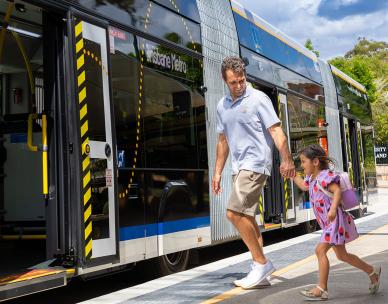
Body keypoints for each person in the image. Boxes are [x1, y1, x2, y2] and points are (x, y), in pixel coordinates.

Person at [212, 56, 295, 289]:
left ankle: (262, 263)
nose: (239, 86)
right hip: (237, 167)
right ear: (224, 80)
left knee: (233, 213)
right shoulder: (222, 106)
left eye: (241, 80)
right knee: (247, 218)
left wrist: (286, 159)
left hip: (256, 164)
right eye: (233, 82)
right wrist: (217, 172)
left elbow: (277, 131)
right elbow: (223, 141)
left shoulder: (259, 99)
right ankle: (260, 273)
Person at [292, 144, 381, 300]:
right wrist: (291, 174)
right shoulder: (311, 179)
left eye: (303, 161)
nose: (302, 165)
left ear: (315, 162)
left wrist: (333, 209)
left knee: (320, 251)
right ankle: (372, 271)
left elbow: (337, 191)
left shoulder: (325, 176)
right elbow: (303, 186)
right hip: (328, 223)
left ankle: (321, 289)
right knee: (342, 256)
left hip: (334, 221)